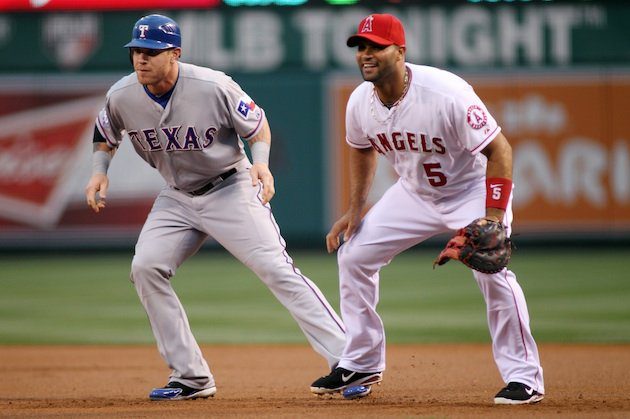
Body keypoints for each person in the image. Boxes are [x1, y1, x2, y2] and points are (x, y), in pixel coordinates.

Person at [85, 14, 345, 401]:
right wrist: (99, 171)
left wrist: (261, 163)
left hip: (229, 187)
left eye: (151, 52)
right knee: (146, 268)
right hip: (176, 196)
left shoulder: (212, 85)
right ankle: (190, 376)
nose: (141, 59)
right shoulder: (122, 94)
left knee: (276, 268)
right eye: (136, 51)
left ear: (175, 54)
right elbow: (105, 134)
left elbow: (257, 125)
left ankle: (349, 359)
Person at [310, 13, 544, 404]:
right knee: (354, 257)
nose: (366, 54)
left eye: (376, 47)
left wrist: (493, 218)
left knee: (492, 273)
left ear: (400, 52)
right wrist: (356, 209)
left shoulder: (445, 93)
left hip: (469, 190)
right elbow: (362, 149)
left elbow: (500, 150)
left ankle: (525, 378)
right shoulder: (360, 101)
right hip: (415, 193)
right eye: (361, 47)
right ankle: (362, 361)